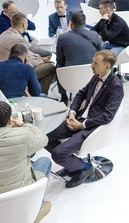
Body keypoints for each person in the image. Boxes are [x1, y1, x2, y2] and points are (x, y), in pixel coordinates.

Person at [46, 51, 124, 188]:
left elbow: (107, 116)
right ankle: (72, 164)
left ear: (107, 67)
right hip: (79, 117)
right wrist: (72, 113)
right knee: (44, 136)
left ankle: (85, 168)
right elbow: (81, 94)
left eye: (95, 63)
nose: (91, 65)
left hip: (92, 126)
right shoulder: (96, 77)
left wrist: (82, 125)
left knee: (58, 154)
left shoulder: (116, 86)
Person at [0, 12, 56, 95]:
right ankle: (40, 97)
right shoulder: (18, 39)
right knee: (50, 67)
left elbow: (27, 54)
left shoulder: (5, 34)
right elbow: (29, 62)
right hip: (12, 74)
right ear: (24, 24)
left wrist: (40, 58)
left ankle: (34, 94)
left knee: (41, 65)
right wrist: (43, 61)